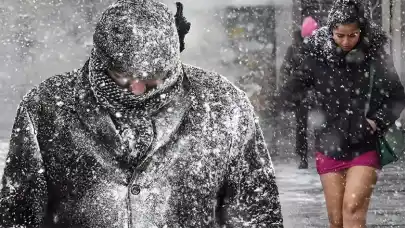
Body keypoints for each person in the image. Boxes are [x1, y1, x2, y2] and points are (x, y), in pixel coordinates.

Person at [0, 0, 284, 227]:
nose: (137, 90)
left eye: (152, 79)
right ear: (100, 59)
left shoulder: (224, 105)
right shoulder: (45, 107)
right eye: (122, 76)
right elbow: (19, 214)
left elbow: (256, 213)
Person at [280, 0, 405, 227]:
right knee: (336, 220)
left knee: (353, 209)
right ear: (331, 32)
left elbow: (397, 95)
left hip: (364, 143)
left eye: (352, 35)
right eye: (340, 36)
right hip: (328, 143)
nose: (346, 41)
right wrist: (314, 103)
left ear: (361, 31)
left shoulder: (375, 55)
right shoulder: (316, 55)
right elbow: (289, 92)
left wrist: (377, 121)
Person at [280, 16, 319, 169]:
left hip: (316, 94)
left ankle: (318, 155)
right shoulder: (295, 48)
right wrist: (291, 88)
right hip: (301, 94)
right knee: (302, 127)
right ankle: (303, 157)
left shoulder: (320, 48)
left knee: (318, 126)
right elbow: (285, 70)